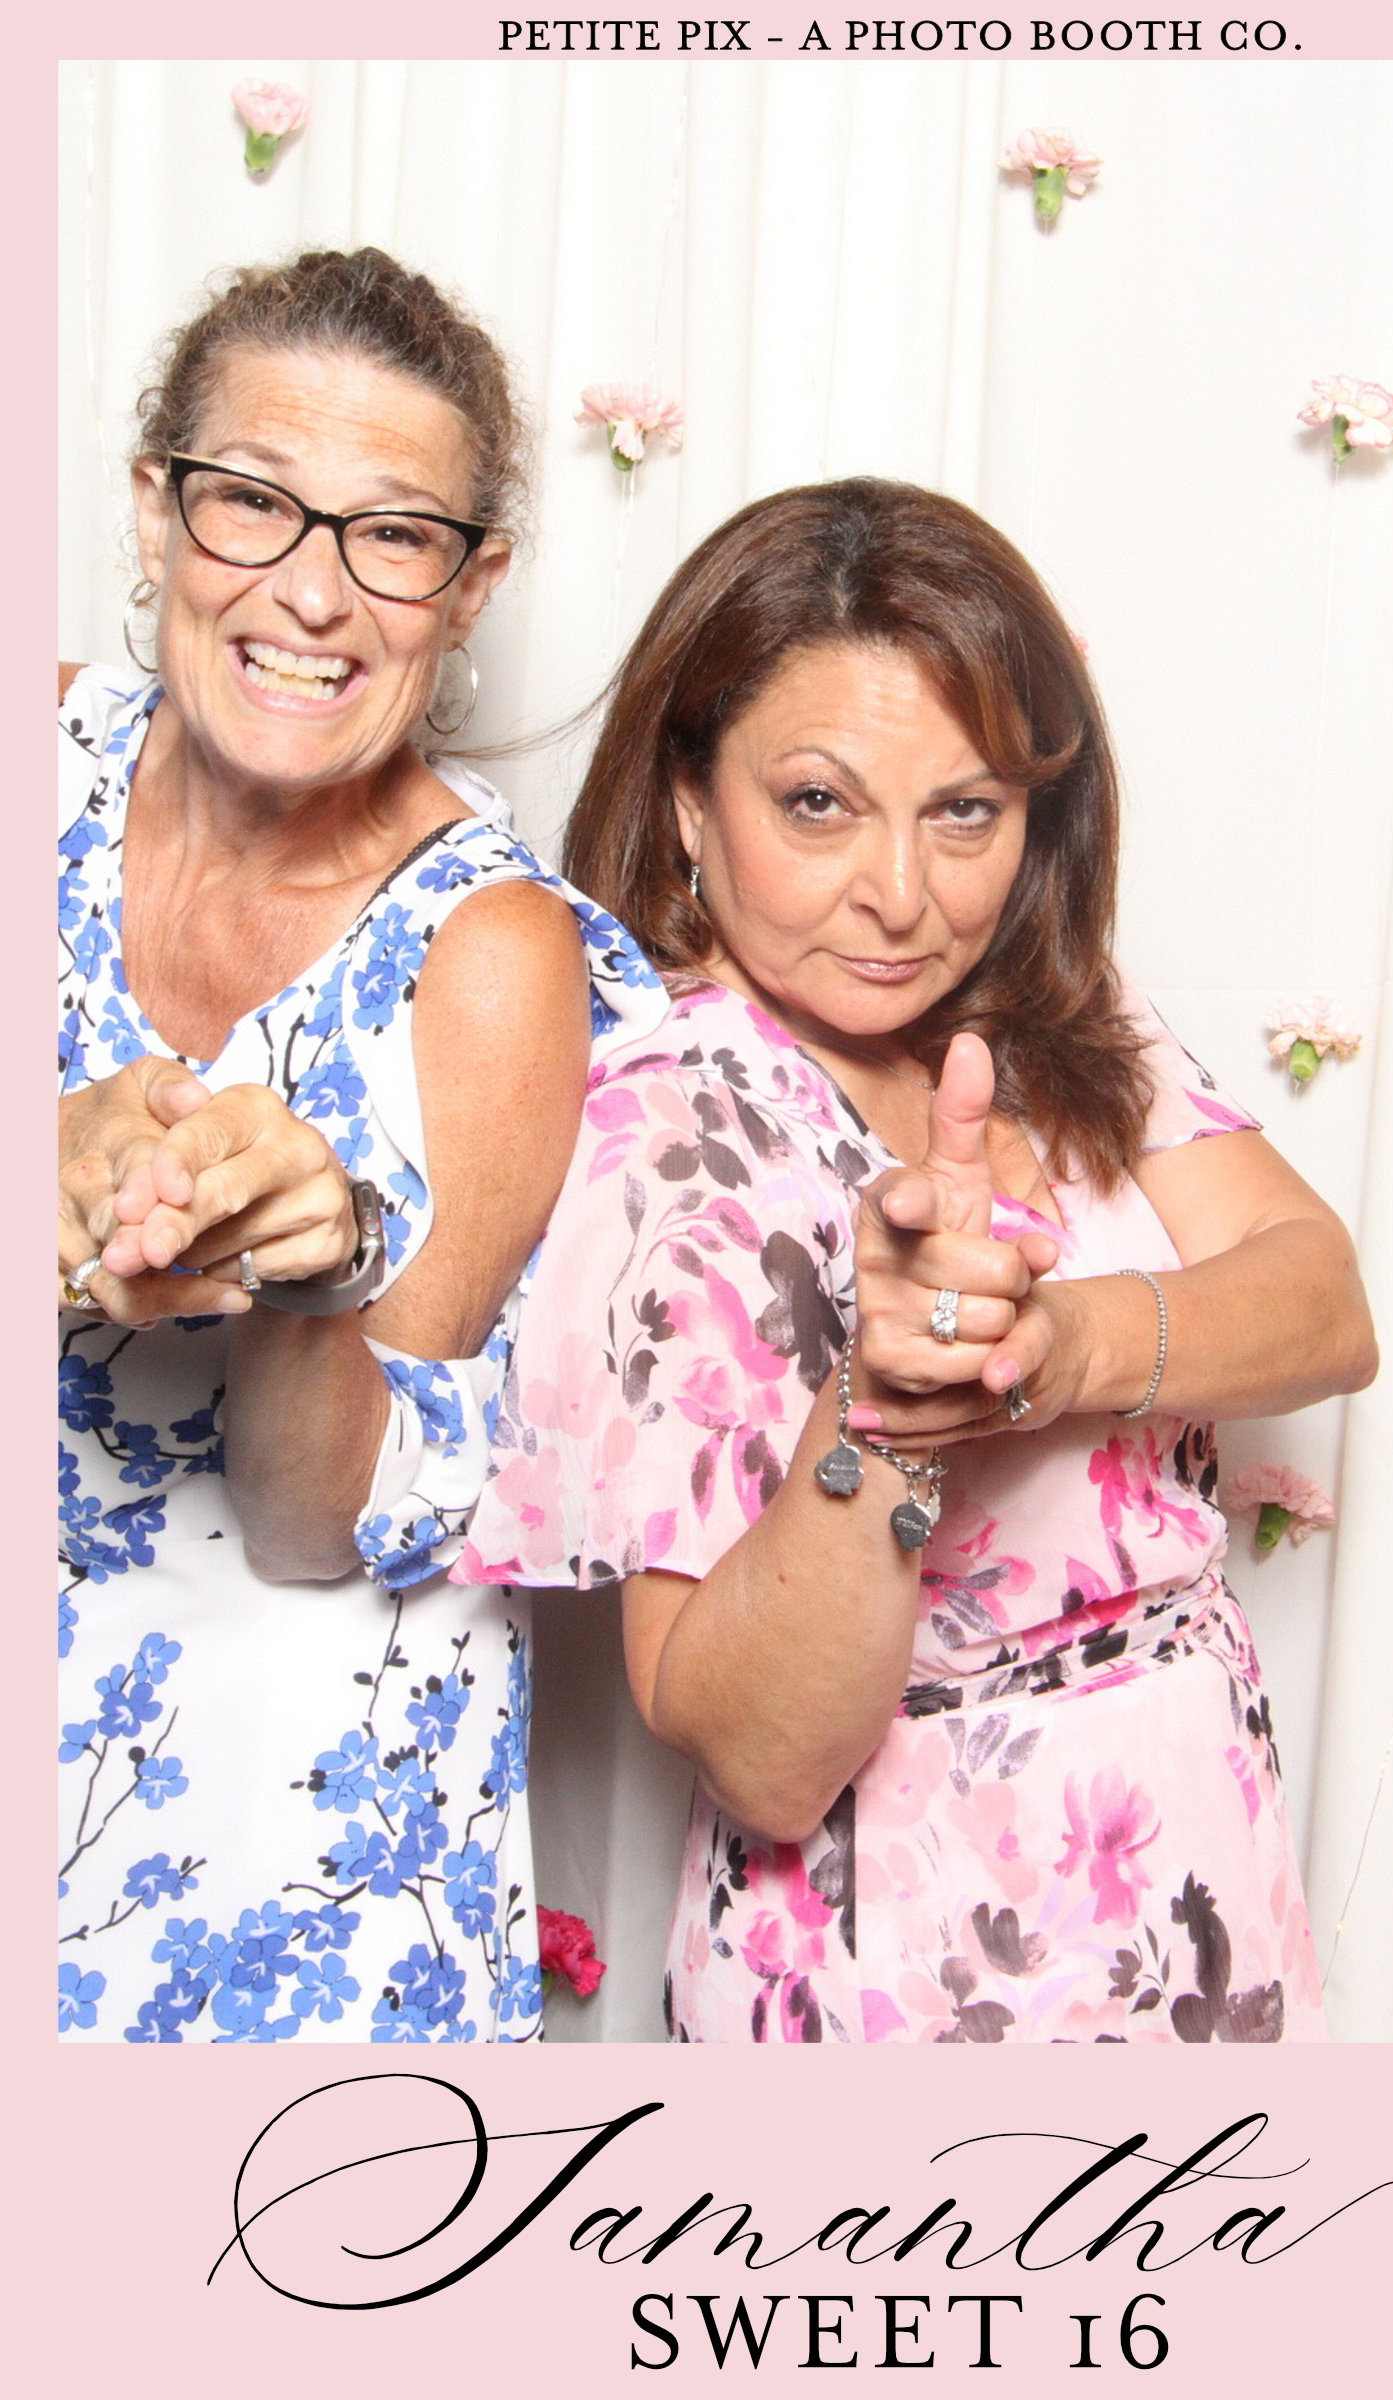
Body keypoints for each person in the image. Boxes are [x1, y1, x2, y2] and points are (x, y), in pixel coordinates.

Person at [460, 478, 1376, 2043]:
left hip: (1197, 1855)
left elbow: (1325, 1304)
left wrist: (1056, 1347)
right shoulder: (669, 1133)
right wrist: (888, 1412)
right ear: (690, 803)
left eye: (965, 812)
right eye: (819, 803)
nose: (901, 894)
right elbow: (759, 1759)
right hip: (914, 1939)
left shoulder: (1058, 1011)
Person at [57, 247, 663, 2043]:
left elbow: (309, 1529)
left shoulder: (491, 956)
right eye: (253, 501)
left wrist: (313, 1273)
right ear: (156, 509)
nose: (311, 592)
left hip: (282, 1840)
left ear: (469, 586)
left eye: (392, 536)